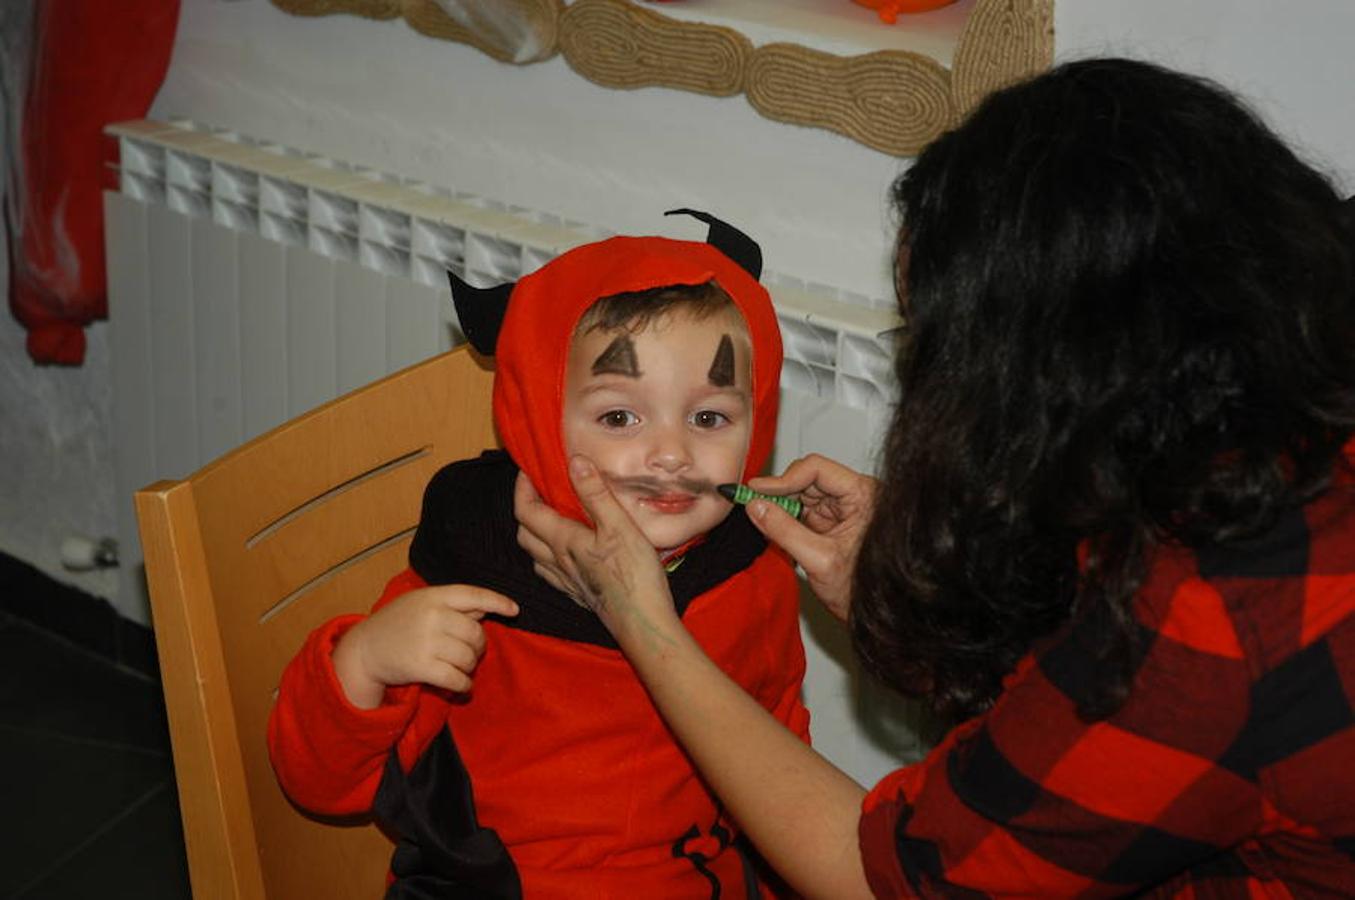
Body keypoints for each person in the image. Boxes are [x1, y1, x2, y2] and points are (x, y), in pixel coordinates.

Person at [514, 58, 1355, 897]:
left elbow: (893, 880)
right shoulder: (1273, 422)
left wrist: (644, 627)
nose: (668, 454)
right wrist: (920, 600)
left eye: (937, 347)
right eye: (620, 414)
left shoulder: (1215, 606)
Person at [267, 213, 811, 899]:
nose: (671, 454)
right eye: (619, 417)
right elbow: (320, 782)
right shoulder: (473, 584)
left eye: (709, 418)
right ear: (537, 418)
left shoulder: (753, 568)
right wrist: (363, 662)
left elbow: (782, 756)